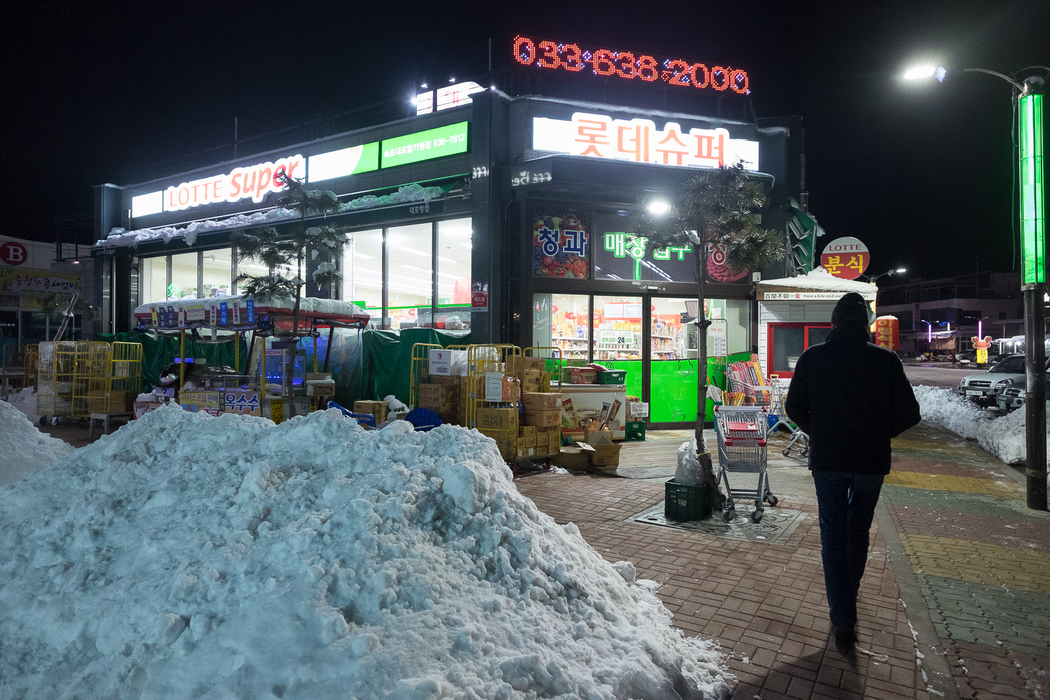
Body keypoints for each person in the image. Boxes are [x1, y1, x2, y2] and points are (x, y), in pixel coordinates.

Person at [784, 292, 921, 656]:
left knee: (833, 535)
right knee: (857, 529)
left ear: (833, 323)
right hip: (870, 461)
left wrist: (820, 429)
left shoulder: (814, 358)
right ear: (865, 325)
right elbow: (910, 413)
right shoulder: (885, 360)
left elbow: (794, 405)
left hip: (828, 460)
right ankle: (848, 595)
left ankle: (843, 617)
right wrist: (878, 432)